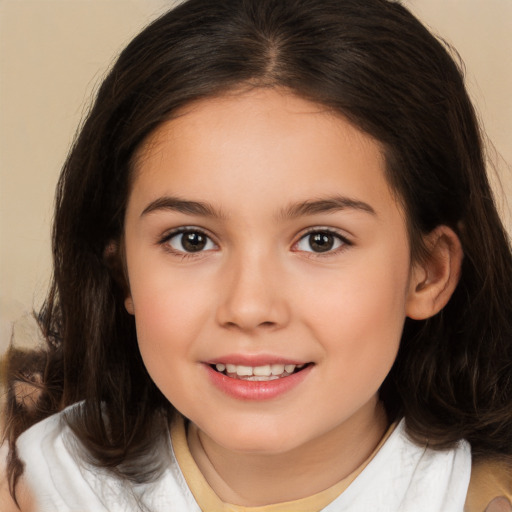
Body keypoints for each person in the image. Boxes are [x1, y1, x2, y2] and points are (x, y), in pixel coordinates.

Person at [1, 0, 511, 510]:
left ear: (428, 272)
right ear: (123, 270)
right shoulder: (35, 486)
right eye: (191, 240)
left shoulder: (484, 496)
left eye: (321, 240)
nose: (249, 308)